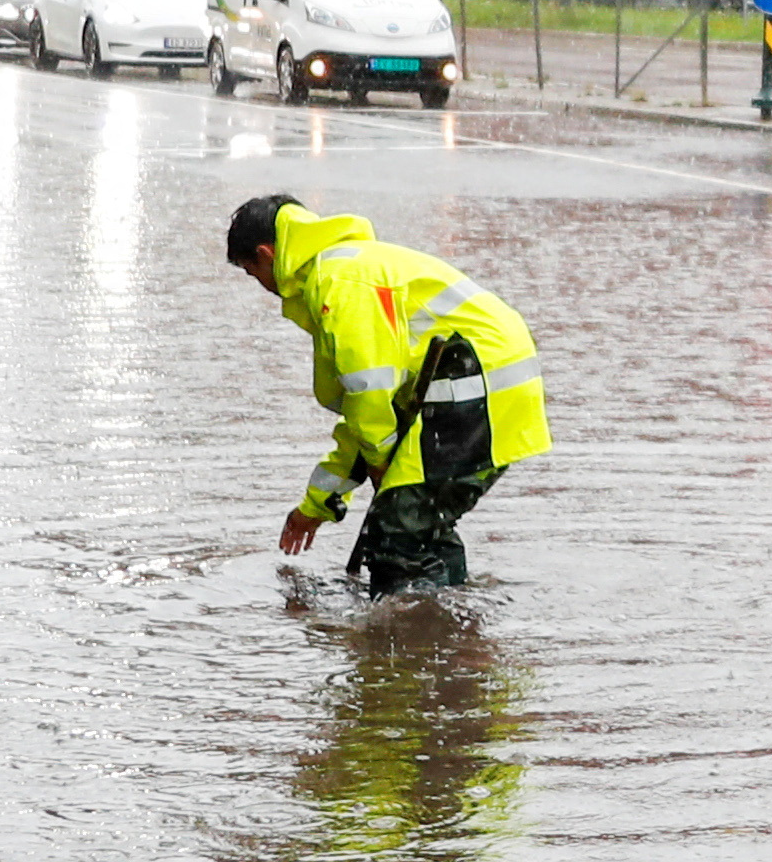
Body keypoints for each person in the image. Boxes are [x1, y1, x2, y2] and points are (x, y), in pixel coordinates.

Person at [228, 191, 550, 588]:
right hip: (478, 386)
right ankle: (454, 628)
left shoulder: (340, 281)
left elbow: (370, 392)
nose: (259, 284)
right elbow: (364, 418)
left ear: (267, 254)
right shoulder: (341, 272)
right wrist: (314, 507)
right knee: (419, 521)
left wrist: (381, 461)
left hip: (473, 385)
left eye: (251, 270)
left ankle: (410, 638)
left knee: (396, 537)